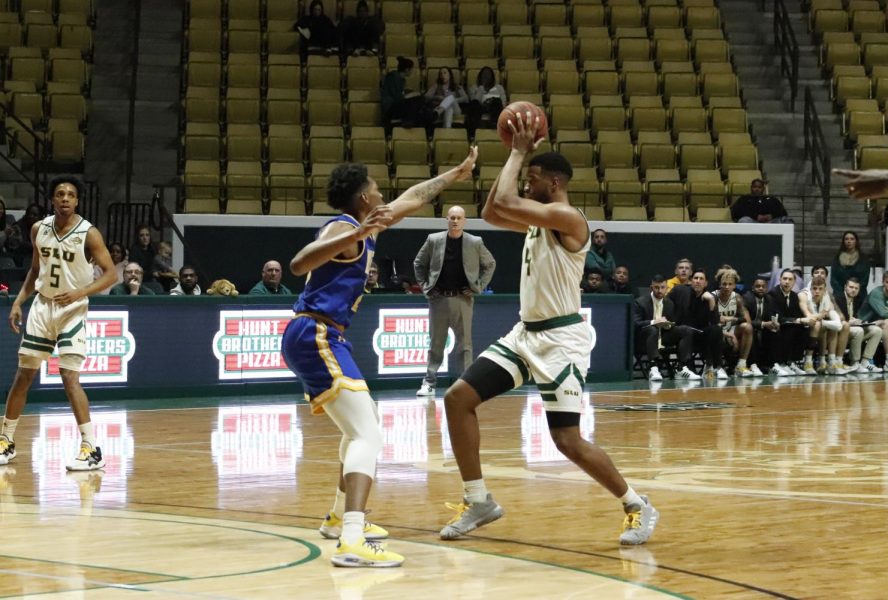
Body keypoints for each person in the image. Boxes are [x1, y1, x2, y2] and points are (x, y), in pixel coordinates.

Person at [439, 114, 659, 546]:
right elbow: (491, 210)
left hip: (560, 341)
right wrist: (517, 160)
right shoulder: (541, 217)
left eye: (533, 178)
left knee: (567, 440)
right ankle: (478, 499)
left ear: (553, 183)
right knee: (458, 398)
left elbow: (506, 199)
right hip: (525, 335)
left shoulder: (566, 216)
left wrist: (518, 152)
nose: (525, 183)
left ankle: (637, 504)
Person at [280, 149, 477, 568]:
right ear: (363, 198)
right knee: (368, 434)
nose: (383, 193)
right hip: (315, 332)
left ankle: (338, 519)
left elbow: (415, 196)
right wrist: (352, 235)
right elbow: (298, 264)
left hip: (323, 335)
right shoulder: (344, 226)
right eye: (375, 188)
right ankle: (352, 538)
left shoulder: (366, 226)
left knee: (361, 423)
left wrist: (455, 175)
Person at [0, 175, 117, 470]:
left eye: (70, 195)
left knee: (68, 377)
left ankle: (91, 448)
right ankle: (6, 441)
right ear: (53, 199)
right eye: (60, 194)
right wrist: (18, 301)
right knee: (23, 376)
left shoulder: (89, 233)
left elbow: (110, 274)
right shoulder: (39, 229)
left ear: (77, 201)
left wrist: (80, 291)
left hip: (73, 308)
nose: (65, 198)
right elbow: (35, 270)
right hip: (42, 306)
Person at [413, 205, 496, 397]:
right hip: (438, 298)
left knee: (464, 345)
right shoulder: (433, 240)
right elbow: (418, 263)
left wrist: (478, 286)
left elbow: (490, 263)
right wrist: (426, 286)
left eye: (459, 218)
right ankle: (429, 383)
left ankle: (464, 385)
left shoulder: (475, 242)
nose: (455, 221)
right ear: (446, 219)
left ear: (464, 220)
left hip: (463, 298)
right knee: (436, 344)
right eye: (452, 217)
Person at [633, 274, 700, 381]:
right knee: (652, 328)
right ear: (651, 288)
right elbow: (636, 323)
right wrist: (654, 322)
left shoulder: (669, 304)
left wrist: (668, 324)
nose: (660, 291)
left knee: (685, 330)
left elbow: (672, 322)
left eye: (662, 287)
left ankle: (682, 368)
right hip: (644, 339)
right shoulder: (640, 302)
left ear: (667, 288)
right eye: (656, 287)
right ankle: (653, 368)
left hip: (663, 336)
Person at [798, 276, 850, 375]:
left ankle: (831, 362)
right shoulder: (803, 295)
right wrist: (820, 316)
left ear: (824, 290)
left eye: (820, 289)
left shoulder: (827, 297)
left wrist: (823, 321)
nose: (817, 291)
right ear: (810, 288)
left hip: (818, 325)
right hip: (802, 326)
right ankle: (808, 362)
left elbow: (838, 324)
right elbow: (809, 317)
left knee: (830, 326)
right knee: (818, 324)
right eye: (814, 288)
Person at [713, 267, 759, 377]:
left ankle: (741, 365)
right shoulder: (713, 297)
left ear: (734, 285)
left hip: (731, 329)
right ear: (720, 284)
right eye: (724, 284)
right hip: (716, 331)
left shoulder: (737, 297)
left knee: (747, 327)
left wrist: (732, 321)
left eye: (730, 284)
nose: (727, 287)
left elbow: (746, 319)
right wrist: (727, 334)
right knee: (715, 333)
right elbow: (709, 323)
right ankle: (716, 367)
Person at [834, 277, 883, 373]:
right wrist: (850, 322)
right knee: (858, 331)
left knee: (877, 330)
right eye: (851, 287)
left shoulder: (859, 299)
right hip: (841, 332)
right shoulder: (837, 298)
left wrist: (863, 321)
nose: (853, 290)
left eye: (856, 288)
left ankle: (865, 361)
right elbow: (836, 320)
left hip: (855, 329)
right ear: (845, 287)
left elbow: (862, 316)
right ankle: (854, 362)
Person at [767, 269, 810, 376]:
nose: (787, 282)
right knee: (790, 329)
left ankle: (792, 362)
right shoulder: (772, 294)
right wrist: (796, 320)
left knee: (804, 329)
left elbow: (797, 314)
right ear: (780, 280)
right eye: (785, 279)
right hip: (774, 325)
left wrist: (802, 321)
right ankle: (781, 363)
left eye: (790, 279)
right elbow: (777, 316)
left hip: (790, 325)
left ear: (794, 282)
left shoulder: (795, 296)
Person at [858, 269, 888, 372]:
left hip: (882, 326)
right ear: (883, 282)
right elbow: (883, 313)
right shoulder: (877, 293)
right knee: (887, 322)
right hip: (866, 324)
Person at [743, 276, 780, 372]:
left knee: (774, 332)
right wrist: (763, 324)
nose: (761, 288)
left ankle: (773, 364)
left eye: (763, 286)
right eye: (758, 286)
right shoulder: (746, 298)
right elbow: (747, 321)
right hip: (748, 328)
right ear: (752, 288)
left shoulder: (769, 299)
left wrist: (775, 324)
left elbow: (773, 315)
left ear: (766, 288)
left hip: (764, 329)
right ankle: (752, 364)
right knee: (752, 331)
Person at [830, 231, 871, 304]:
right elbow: (834, 279)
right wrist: (843, 293)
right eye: (846, 239)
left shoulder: (864, 258)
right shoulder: (837, 257)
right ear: (843, 241)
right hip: (840, 296)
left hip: (859, 295)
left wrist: (854, 291)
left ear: (856, 241)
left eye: (852, 239)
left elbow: (865, 279)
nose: (849, 241)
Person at [380, 56, 421, 128]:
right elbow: (397, 97)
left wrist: (408, 92)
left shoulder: (402, 79)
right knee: (418, 99)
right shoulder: (393, 77)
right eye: (412, 69)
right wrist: (411, 95)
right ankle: (407, 120)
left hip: (396, 104)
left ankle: (409, 120)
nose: (412, 71)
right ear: (407, 69)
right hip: (390, 107)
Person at [465, 66, 507, 135]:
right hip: (480, 108)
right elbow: (474, 101)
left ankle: (495, 126)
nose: (486, 76)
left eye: (488, 74)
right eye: (484, 74)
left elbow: (503, 104)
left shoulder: (499, 88)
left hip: (494, 108)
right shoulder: (474, 88)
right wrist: (481, 88)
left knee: (496, 101)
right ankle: (473, 133)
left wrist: (491, 101)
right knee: (474, 104)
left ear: (492, 77)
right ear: (480, 76)